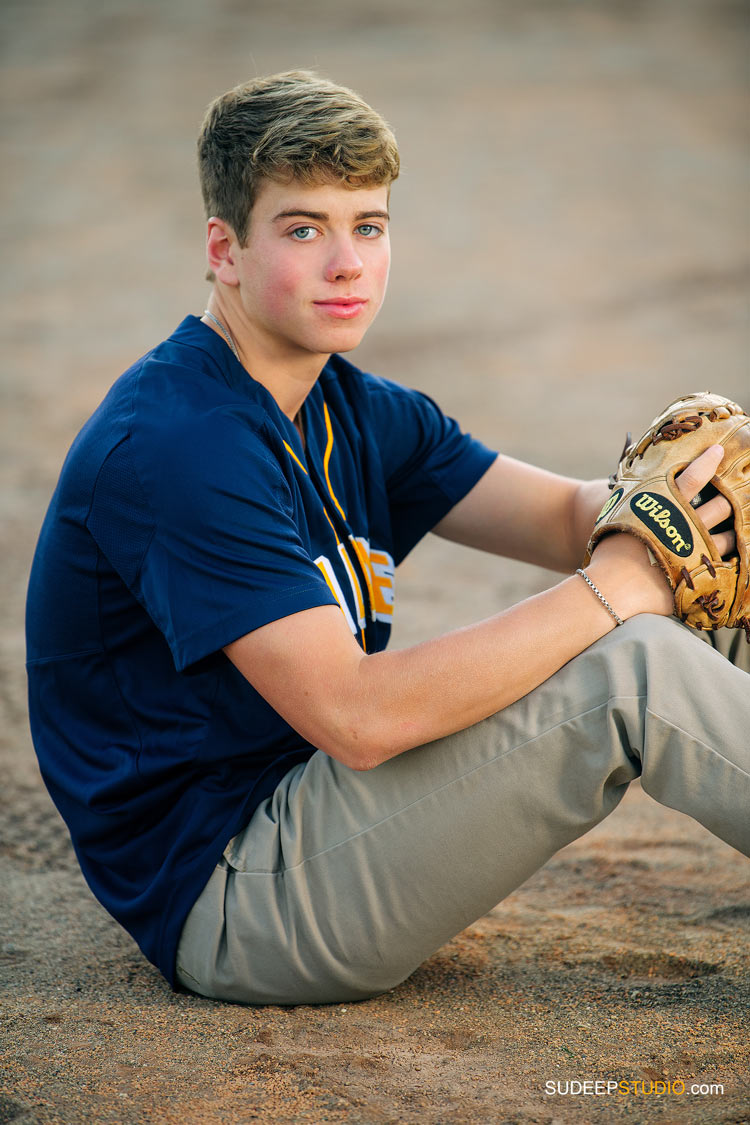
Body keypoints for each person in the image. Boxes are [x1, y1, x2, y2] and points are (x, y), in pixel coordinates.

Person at [26, 70, 749, 1007]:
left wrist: (689, 508)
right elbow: (356, 718)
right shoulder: (179, 445)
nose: (347, 263)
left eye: (368, 225)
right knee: (637, 665)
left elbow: (575, 518)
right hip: (238, 894)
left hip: (324, 812)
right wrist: (624, 582)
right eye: (302, 228)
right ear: (224, 249)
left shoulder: (350, 406)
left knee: (717, 579)